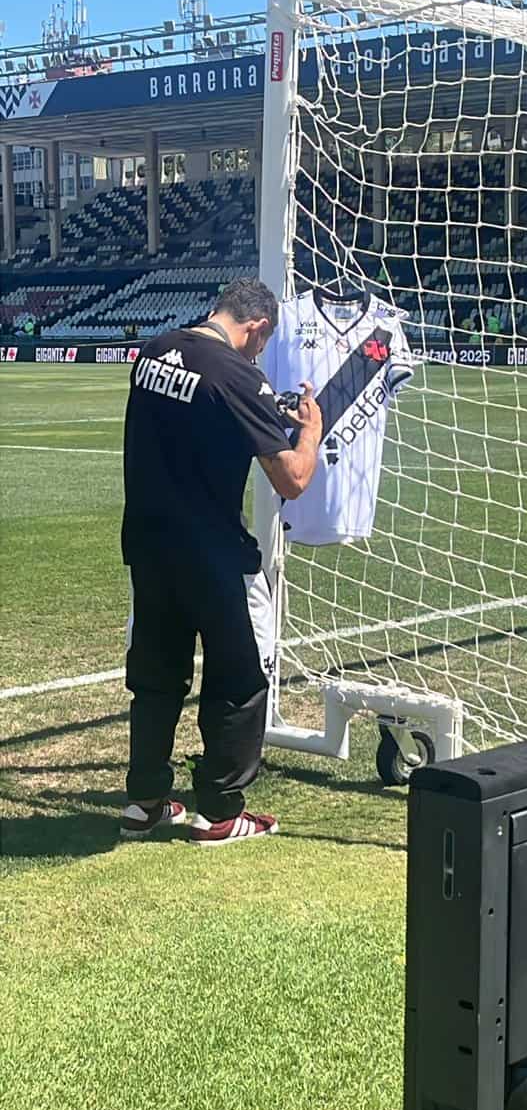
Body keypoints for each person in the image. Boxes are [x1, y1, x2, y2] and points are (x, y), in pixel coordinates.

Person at [119, 278, 322, 846]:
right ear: (258, 327)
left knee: (156, 678)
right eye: (263, 343)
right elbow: (292, 479)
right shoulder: (239, 375)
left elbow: (199, 417)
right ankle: (220, 810)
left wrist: (262, 410)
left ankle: (144, 802)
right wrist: (309, 433)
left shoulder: (154, 350)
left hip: (149, 545)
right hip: (213, 555)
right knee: (240, 675)